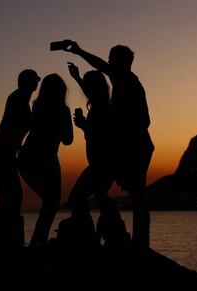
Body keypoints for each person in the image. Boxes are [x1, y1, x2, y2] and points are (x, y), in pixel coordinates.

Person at [60, 41, 154, 248]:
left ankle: (136, 245)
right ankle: (120, 237)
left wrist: (78, 51)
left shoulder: (128, 83)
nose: (109, 62)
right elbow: (99, 93)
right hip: (129, 148)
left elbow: (144, 121)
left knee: (136, 197)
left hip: (136, 147)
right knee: (114, 194)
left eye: (112, 59)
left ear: (122, 62)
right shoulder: (123, 81)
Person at [66, 64, 128, 247]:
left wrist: (84, 125)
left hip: (101, 164)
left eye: (88, 86)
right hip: (104, 164)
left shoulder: (101, 107)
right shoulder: (103, 103)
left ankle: (88, 236)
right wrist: (77, 78)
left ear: (94, 88)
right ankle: (115, 234)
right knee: (100, 195)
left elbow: (101, 134)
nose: (86, 91)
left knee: (76, 198)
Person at [18, 73, 73, 248]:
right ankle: (37, 243)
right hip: (45, 161)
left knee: (49, 203)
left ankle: (37, 242)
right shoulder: (62, 111)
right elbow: (68, 139)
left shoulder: (37, 106)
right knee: (51, 203)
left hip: (28, 158)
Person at [0, 69, 40, 248]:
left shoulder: (20, 98)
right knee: (12, 195)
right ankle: (8, 241)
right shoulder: (19, 98)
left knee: (9, 196)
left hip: (5, 152)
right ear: (29, 82)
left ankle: (5, 238)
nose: (37, 83)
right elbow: (21, 124)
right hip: (2, 153)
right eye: (35, 79)